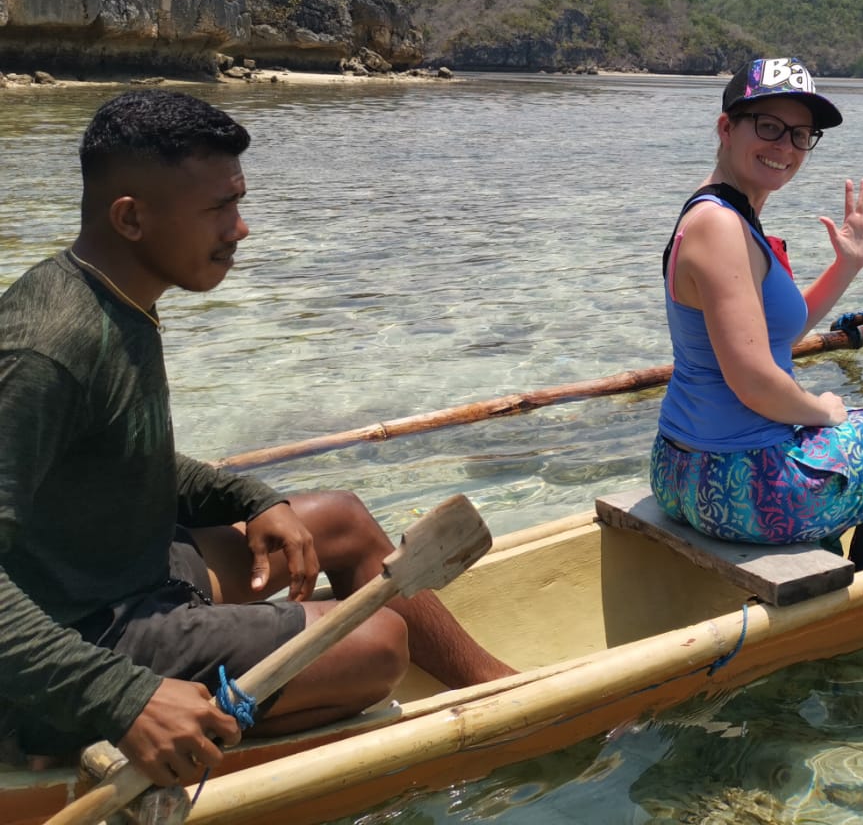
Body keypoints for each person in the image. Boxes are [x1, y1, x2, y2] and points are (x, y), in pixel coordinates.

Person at [0, 90, 515, 788]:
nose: (240, 229)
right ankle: (95, 735)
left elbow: (121, 454)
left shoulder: (117, 300)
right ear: (131, 218)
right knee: (379, 644)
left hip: (130, 572)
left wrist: (252, 497)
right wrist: (119, 697)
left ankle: (502, 692)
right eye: (218, 208)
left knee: (336, 519)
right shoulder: (47, 346)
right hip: (79, 639)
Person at [651, 58, 863, 568]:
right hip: (741, 484)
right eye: (769, 127)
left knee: (860, 426)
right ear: (726, 127)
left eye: (800, 135)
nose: (785, 147)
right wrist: (820, 410)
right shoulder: (720, 227)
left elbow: (770, 342)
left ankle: (829, 546)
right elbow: (754, 379)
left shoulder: (724, 216)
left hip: (682, 469)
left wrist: (846, 266)